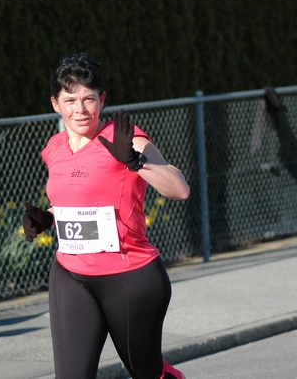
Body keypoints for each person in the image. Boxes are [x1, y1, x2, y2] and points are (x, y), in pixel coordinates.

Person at [23, 52, 189, 379]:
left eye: (89, 99)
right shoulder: (54, 147)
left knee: (147, 373)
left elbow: (179, 189)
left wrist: (136, 162)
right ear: (55, 104)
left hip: (129, 276)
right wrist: (48, 218)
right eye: (70, 100)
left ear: (102, 100)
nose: (80, 109)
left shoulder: (126, 139)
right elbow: (77, 202)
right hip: (71, 274)